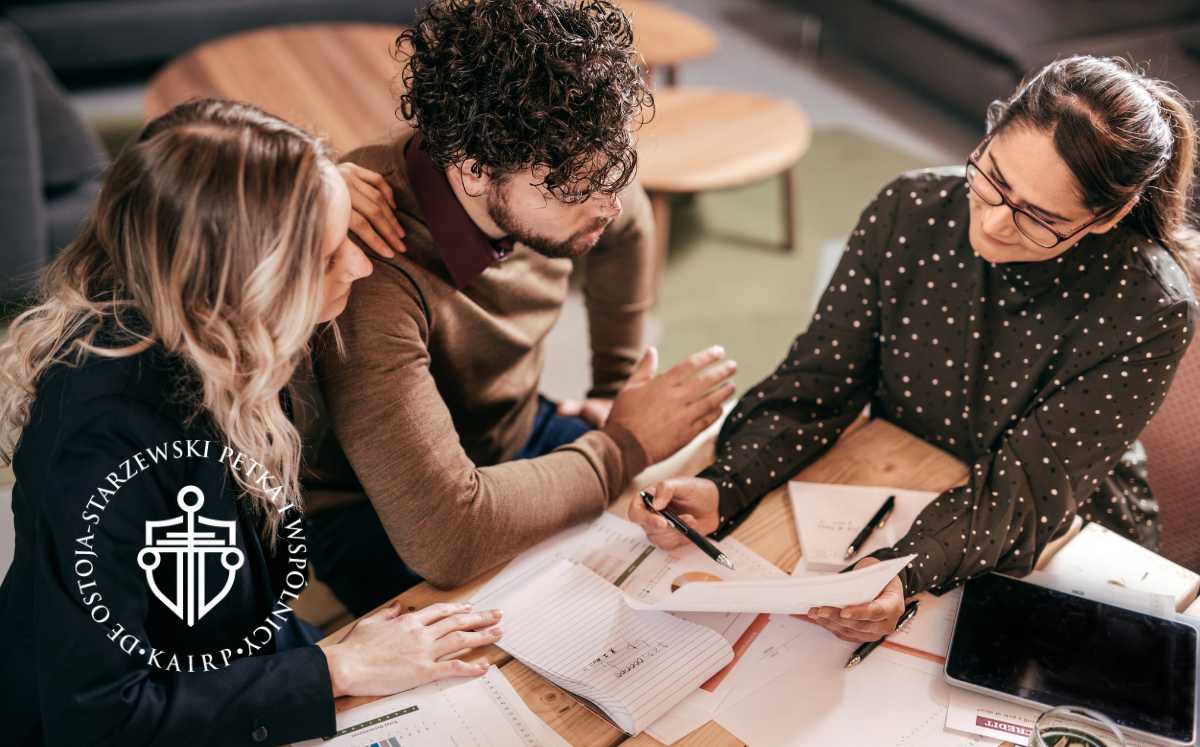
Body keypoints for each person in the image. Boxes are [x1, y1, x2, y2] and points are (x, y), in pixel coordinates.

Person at [630, 55, 1199, 643]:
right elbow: (816, 383)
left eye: (1039, 218)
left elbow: (1025, 493)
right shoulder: (911, 210)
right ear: (993, 128)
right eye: (994, 178)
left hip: (1057, 532)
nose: (996, 223)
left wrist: (906, 569)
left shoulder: (1149, 309)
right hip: (899, 479)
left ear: (1110, 216)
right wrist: (728, 483)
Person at [0, 99, 502, 746]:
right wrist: (333, 668)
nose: (359, 265)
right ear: (234, 285)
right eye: (323, 257)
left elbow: (218, 601)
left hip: (223, 666)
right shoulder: (104, 446)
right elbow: (100, 717)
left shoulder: (215, 341)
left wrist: (325, 660)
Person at [301, 0, 736, 612]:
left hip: (510, 434)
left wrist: (613, 388)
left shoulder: (572, 164)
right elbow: (446, 537)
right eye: (582, 190)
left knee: (671, 548)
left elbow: (630, 221)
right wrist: (623, 444)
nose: (607, 204)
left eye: (614, 173)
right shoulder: (371, 266)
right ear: (475, 171)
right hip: (379, 509)